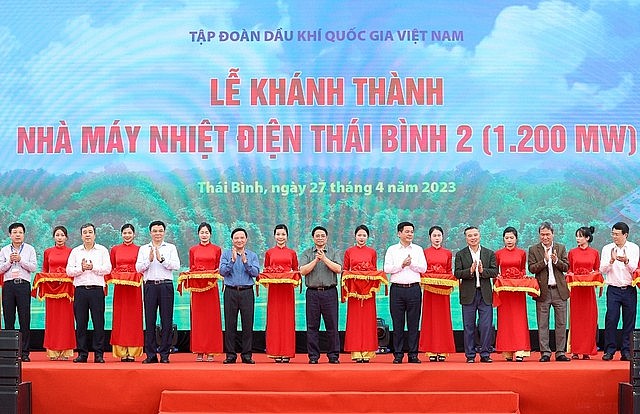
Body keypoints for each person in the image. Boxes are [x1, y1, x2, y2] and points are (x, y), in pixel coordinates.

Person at [136, 220, 180, 364]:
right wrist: (149, 260)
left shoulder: (170, 248)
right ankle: (151, 354)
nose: (158, 233)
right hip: (150, 286)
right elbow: (138, 268)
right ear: (150, 232)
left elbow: (176, 265)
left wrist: (162, 260)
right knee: (150, 320)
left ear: (164, 232)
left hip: (165, 285)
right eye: (155, 231)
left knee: (166, 321)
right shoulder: (144, 249)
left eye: (160, 231)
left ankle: (165, 354)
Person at [66, 223, 112, 363]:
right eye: (85, 232)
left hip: (97, 290)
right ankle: (82, 353)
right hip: (80, 290)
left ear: (94, 234)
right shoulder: (75, 251)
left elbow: (108, 269)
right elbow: (69, 271)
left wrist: (93, 267)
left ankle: (99, 354)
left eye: (90, 232)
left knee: (98, 322)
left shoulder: (102, 250)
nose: (87, 235)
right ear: (81, 236)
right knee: (81, 323)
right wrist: (81, 269)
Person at [383, 221, 427, 364]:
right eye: (407, 231)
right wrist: (402, 265)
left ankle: (413, 354)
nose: (410, 234)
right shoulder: (392, 250)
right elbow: (387, 269)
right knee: (398, 324)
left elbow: (423, 268)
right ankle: (398, 354)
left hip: (414, 289)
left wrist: (411, 264)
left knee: (413, 323)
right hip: (397, 290)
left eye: (412, 232)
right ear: (399, 233)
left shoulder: (418, 249)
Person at [528, 221, 571, 362]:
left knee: (561, 323)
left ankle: (560, 352)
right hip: (543, 291)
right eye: (542, 234)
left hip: (559, 291)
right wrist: (545, 261)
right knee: (542, 324)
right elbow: (531, 268)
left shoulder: (560, 248)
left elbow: (566, 267)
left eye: (547, 234)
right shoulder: (533, 249)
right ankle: (545, 353)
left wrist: (556, 260)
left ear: (553, 234)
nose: (545, 237)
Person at [342, 224, 386, 363]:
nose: (361, 238)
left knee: (368, 321)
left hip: (368, 292)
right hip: (354, 292)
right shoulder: (349, 251)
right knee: (354, 321)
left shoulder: (372, 252)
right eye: (359, 235)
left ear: (368, 237)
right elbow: (345, 271)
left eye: (364, 235)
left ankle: (367, 352)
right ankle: (356, 352)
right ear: (355, 236)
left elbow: (374, 271)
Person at [454, 226, 498, 363]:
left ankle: (485, 354)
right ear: (466, 238)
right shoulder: (461, 254)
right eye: (470, 235)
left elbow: (494, 272)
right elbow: (457, 273)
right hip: (468, 295)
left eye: (475, 235)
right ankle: (470, 355)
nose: (473, 238)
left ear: (480, 236)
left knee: (486, 326)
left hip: (485, 295)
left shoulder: (489, 253)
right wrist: (470, 271)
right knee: (469, 326)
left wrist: (483, 271)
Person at [300, 225, 343, 364]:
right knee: (312, 326)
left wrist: (324, 259)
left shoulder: (333, 252)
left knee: (332, 325)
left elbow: (338, 269)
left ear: (327, 237)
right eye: (317, 236)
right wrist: (316, 260)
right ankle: (313, 356)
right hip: (312, 293)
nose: (320, 238)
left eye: (322, 236)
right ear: (313, 238)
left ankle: (333, 356)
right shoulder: (307, 253)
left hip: (330, 292)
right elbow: (303, 271)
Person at [600, 222, 639, 361]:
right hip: (613, 289)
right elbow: (602, 270)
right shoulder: (607, 248)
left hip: (629, 289)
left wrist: (626, 261)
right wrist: (611, 261)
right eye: (613, 234)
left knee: (629, 320)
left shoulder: (634, 248)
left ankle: (626, 351)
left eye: (617, 234)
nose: (614, 236)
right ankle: (609, 350)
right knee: (611, 319)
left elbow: (634, 269)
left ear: (625, 235)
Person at [220, 227, 259, 364]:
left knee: (247, 324)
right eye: (236, 238)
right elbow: (222, 272)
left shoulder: (252, 255)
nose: (239, 240)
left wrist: (245, 262)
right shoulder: (226, 254)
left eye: (242, 237)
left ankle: (247, 355)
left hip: (247, 291)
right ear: (232, 240)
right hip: (230, 291)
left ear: (246, 239)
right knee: (230, 324)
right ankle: (230, 355)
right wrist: (232, 261)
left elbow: (255, 273)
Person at [262, 224, 299, 363]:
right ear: (274, 236)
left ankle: (287, 352)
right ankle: (275, 352)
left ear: (287, 236)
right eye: (278, 234)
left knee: (287, 320)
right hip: (274, 290)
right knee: (274, 319)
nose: (280, 237)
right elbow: (266, 270)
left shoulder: (292, 253)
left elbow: (296, 270)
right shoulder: (269, 253)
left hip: (287, 290)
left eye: (283, 234)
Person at [0, 222, 37, 362]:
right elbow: (0, 269)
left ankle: (25, 352)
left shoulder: (30, 249)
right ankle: (9, 352)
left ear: (24, 234)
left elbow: (33, 267)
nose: (17, 235)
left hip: (23, 285)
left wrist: (21, 260)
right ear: (10, 235)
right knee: (8, 318)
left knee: (24, 319)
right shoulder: (4, 250)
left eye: (20, 232)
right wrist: (9, 261)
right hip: (9, 286)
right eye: (15, 232)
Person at [186, 222, 223, 362]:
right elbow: (192, 268)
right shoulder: (193, 250)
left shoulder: (217, 249)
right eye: (202, 232)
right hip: (197, 289)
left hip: (211, 288)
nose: (204, 235)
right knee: (198, 319)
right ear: (198, 234)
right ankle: (199, 350)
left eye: (206, 232)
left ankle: (211, 350)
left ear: (210, 234)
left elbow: (219, 268)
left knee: (211, 319)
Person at [418, 225, 456, 362]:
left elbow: (449, 271)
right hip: (429, 290)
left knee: (443, 319)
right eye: (434, 236)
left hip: (443, 291)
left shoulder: (448, 253)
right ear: (430, 237)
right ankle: (431, 350)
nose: (437, 238)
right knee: (429, 318)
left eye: (439, 235)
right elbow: (422, 270)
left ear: (442, 237)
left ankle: (443, 350)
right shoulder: (424, 252)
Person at [108, 224, 144, 362]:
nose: (127, 235)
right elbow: (112, 268)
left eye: (129, 233)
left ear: (134, 234)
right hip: (120, 288)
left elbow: (142, 268)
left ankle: (133, 352)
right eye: (125, 233)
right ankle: (121, 351)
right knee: (120, 317)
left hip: (134, 288)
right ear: (121, 234)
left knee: (134, 318)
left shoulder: (140, 249)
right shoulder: (115, 249)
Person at [494, 226, 530, 362]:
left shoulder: (522, 253)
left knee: (519, 320)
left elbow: (523, 270)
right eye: (507, 238)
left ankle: (520, 351)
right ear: (503, 239)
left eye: (511, 238)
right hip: (504, 292)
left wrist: (522, 277)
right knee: (505, 321)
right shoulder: (498, 253)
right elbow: (495, 272)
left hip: (518, 292)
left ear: (516, 239)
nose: (509, 240)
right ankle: (507, 351)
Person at [39, 225, 74, 360]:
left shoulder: (71, 252)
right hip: (51, 290)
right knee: (52, 320)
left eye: (62, 235)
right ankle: (52, 351)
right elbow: (45, 270)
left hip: (66, 291)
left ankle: (66, 351)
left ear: (66, 237)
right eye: (57, 235)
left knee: (66, 320)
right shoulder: (48, 252)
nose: (60, 238)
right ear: (53, 237)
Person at [567, 226, 600, 360]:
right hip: (576, 291)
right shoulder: (572, 252)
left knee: (589, 319)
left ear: (587, 238)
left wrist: (592, 274)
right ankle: (575, 350)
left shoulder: (595, 253)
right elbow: (569, 270)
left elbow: (597, 270)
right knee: (576, 319)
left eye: (580, 236)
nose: (578, 238)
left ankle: (587, 350)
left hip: (589, 291)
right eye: (577, 236)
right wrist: (572, 274)